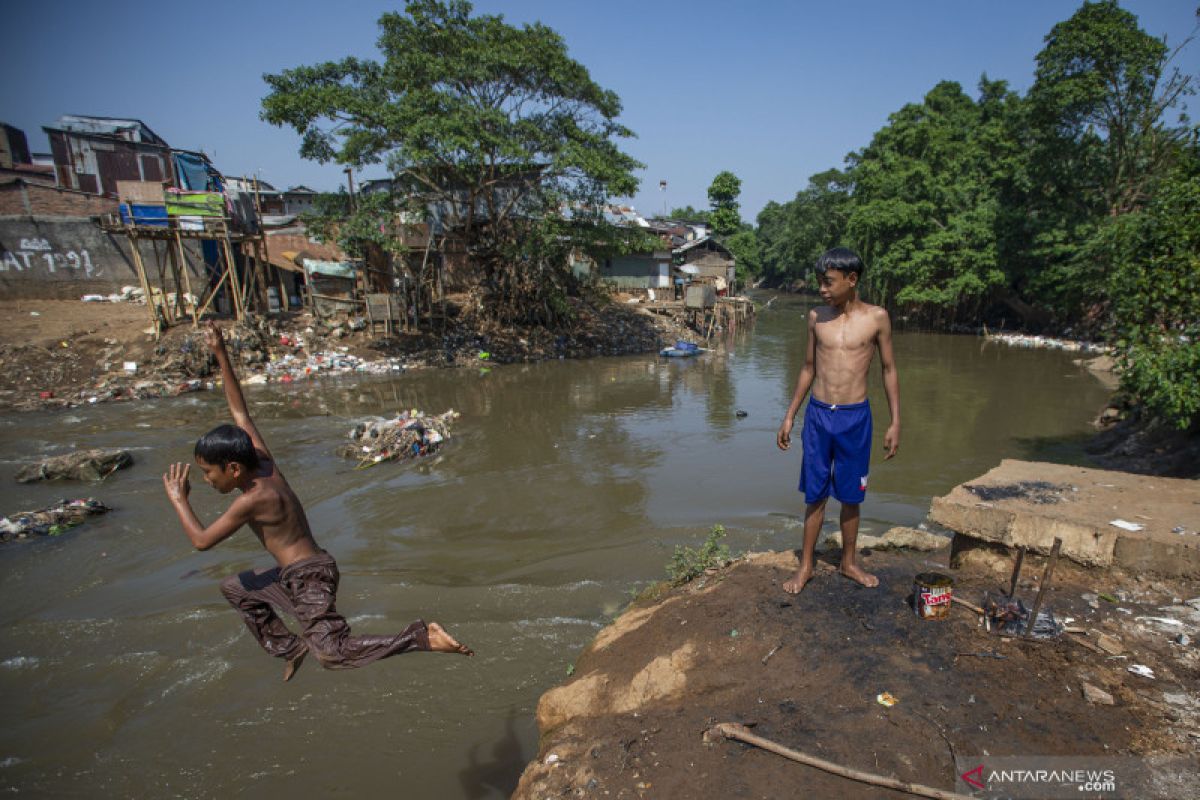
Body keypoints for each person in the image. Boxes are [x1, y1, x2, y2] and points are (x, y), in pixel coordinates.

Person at [163, 321, 472, 681]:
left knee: (332, 654)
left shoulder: (253, 499)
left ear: (232, 469)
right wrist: (220, 354)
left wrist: (179, 500)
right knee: (236, 587)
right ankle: (289, 647)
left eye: (208, 473)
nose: (205, 480)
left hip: (309, 578)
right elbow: (240, 413)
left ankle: (420, 638)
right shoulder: (263, 464)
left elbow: (201, 542)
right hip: (296, 573)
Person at [776, 248, 900, 594]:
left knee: (851, 494)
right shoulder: (817, 317)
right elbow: (807, 368)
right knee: (814, 494)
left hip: (855, 418)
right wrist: (789, 416)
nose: (822, 289)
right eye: (820, 282)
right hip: (818, 415)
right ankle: (806, 566)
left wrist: (895, 422)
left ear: (852, 280)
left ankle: (848, 563)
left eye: (828, 282)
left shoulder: (877, 318)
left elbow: (889, 369)